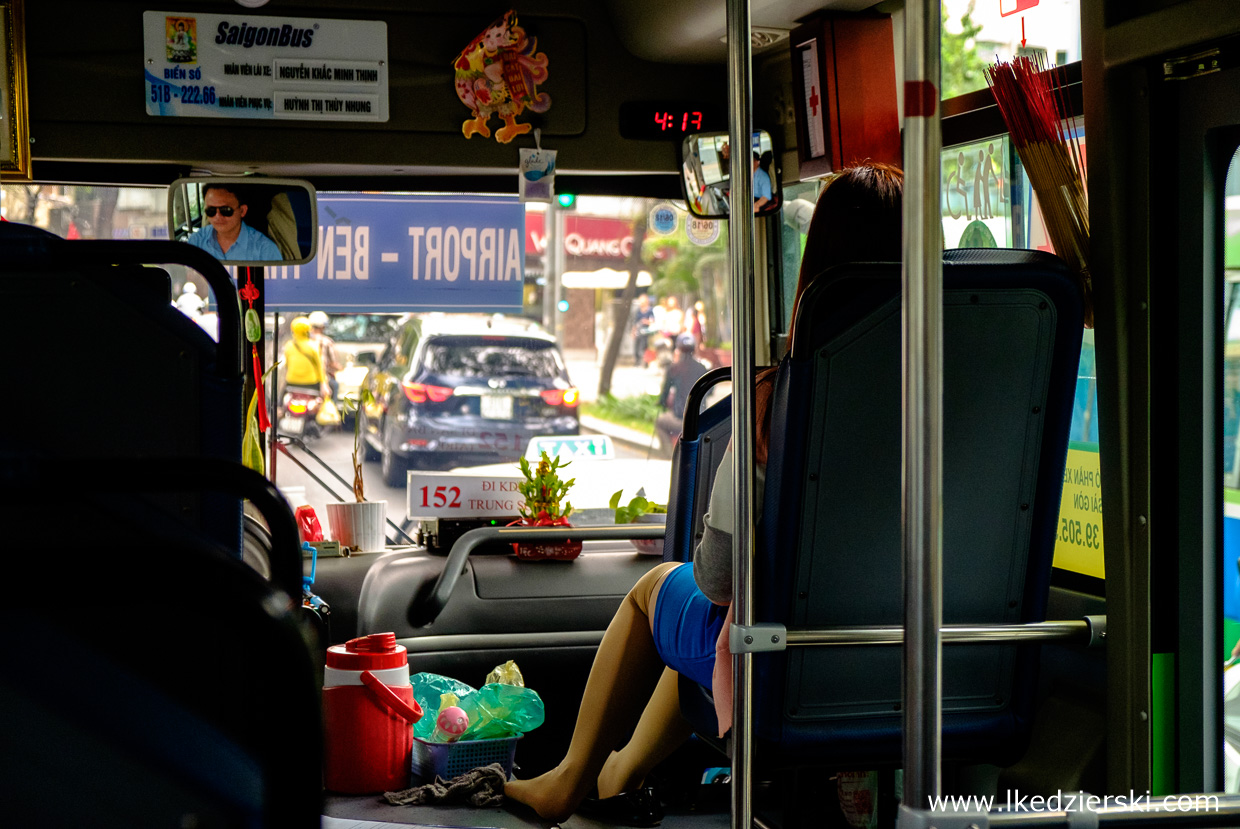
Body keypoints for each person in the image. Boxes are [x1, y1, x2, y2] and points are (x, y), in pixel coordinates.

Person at [504, 163, 905, 823]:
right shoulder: (963, 394)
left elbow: (719, 578)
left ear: (818, 269)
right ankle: (621, 769)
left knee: (666, 591)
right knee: (695, 623)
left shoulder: (781, 400)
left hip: (790, 662)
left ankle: (570, 778)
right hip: (931, 657)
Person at [186, 184, 283, 261]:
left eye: (226, 210)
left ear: (242, 211)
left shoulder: (265, 249)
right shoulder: (196, 242)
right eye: (211, 211)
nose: (218, 216)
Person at [655, 334, 708, 451]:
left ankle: (669, 455)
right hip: (701, 419)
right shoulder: (702, 368)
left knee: (660, 422)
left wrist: (662, 402)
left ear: (678, 349)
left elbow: (664, 394)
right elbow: (710, 390)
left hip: (681, 419)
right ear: (694, 348)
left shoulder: (674, 368)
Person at [282, 316, 329, 401]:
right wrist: (324, 384)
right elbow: (320, 367)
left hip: (292, 381)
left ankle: (279, 408)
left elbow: (287, 365)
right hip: (311, 383)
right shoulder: (313, 346)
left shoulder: (289, 346)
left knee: (282, 398)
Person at [308, 311, 342, 401]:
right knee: (335, 385)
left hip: (301, 379)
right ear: (323, 326)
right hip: (321, 380)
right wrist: (340, 368)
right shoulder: (326, 342)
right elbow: (332, 364)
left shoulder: (304, 341)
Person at [632, 295, 655, 367]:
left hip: (646, 331)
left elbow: (652, 321)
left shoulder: (650, 310)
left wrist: (646, 321)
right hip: (638, 330)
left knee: (644, 346)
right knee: (637, 346)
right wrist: (633, 331)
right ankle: (637, 361)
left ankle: (645, 361)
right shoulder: (638, 311)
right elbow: (635, 322)